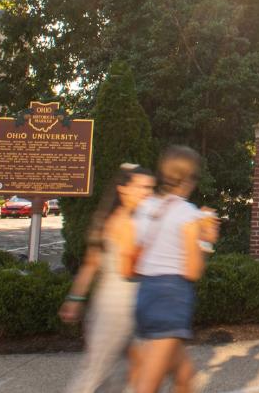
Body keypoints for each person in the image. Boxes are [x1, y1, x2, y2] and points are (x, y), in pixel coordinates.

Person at [61, 163, 158, 393]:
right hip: (119, 306)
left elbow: (90, 264)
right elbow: (129, 270)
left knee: (132, 370)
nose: (148, 193)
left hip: (112, 302)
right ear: (123, 189)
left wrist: (75, 297)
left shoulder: (110, 218)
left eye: (151, 188)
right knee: (95, 373)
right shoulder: (126, 223)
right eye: (142, 187)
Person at [131, 146, 218, 393]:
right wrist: (207, 239)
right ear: (190, 178)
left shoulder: (145, 208)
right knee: (148, 386)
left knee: (185, 376)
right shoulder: (187, 215)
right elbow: (192, 271)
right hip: (170, 299)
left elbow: (136, 256)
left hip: (145, 294)